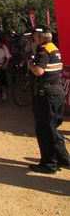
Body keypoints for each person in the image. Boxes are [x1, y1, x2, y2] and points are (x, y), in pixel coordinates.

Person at [26, 24, 70, 174]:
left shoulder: (43, 51)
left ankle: (49, 164)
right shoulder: (54, 48)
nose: (33, 38)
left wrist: (30, 64)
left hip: (46, 94)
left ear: (40, 37)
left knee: (44, 129)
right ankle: (63, 159)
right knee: (51, 127)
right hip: (56, 91)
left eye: (34, 36)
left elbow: (38, 71)